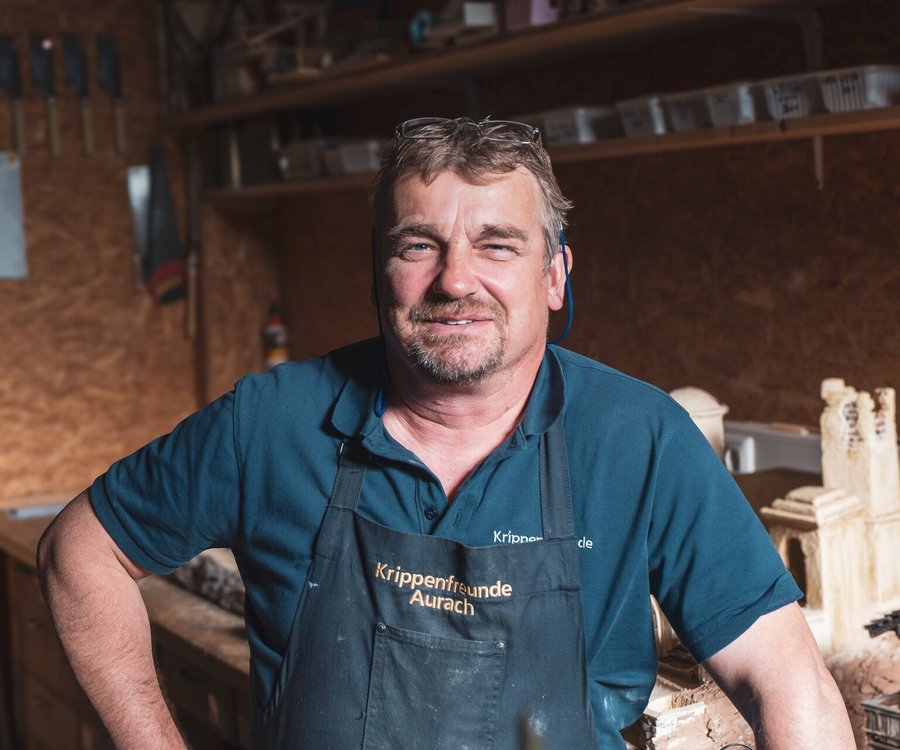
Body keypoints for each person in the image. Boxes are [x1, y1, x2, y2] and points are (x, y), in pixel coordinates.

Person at [38, 116, 854, 750]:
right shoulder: (272, 424)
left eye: (496, 244)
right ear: (377, 271)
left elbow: (789, 682)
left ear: (555, 275)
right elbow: (81, 550)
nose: (456, 279)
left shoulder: (639, 441)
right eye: (418, 245)